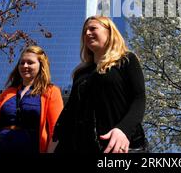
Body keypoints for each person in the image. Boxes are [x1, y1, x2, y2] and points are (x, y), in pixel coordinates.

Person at [50, 16, 146, 153]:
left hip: (118, 146)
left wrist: (123, 129)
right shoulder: (80, 73)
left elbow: (139, 98)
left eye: (93, 28)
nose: (87, 33)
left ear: (109, 32)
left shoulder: (126, 60)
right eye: (84, 32)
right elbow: (70, 112)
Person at [0, 45, 64, 153]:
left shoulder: (51, 91)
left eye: (30, 62)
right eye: (22, 62)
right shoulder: (8, 92)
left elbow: (58, 131)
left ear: (41, 65)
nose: (25, 65)